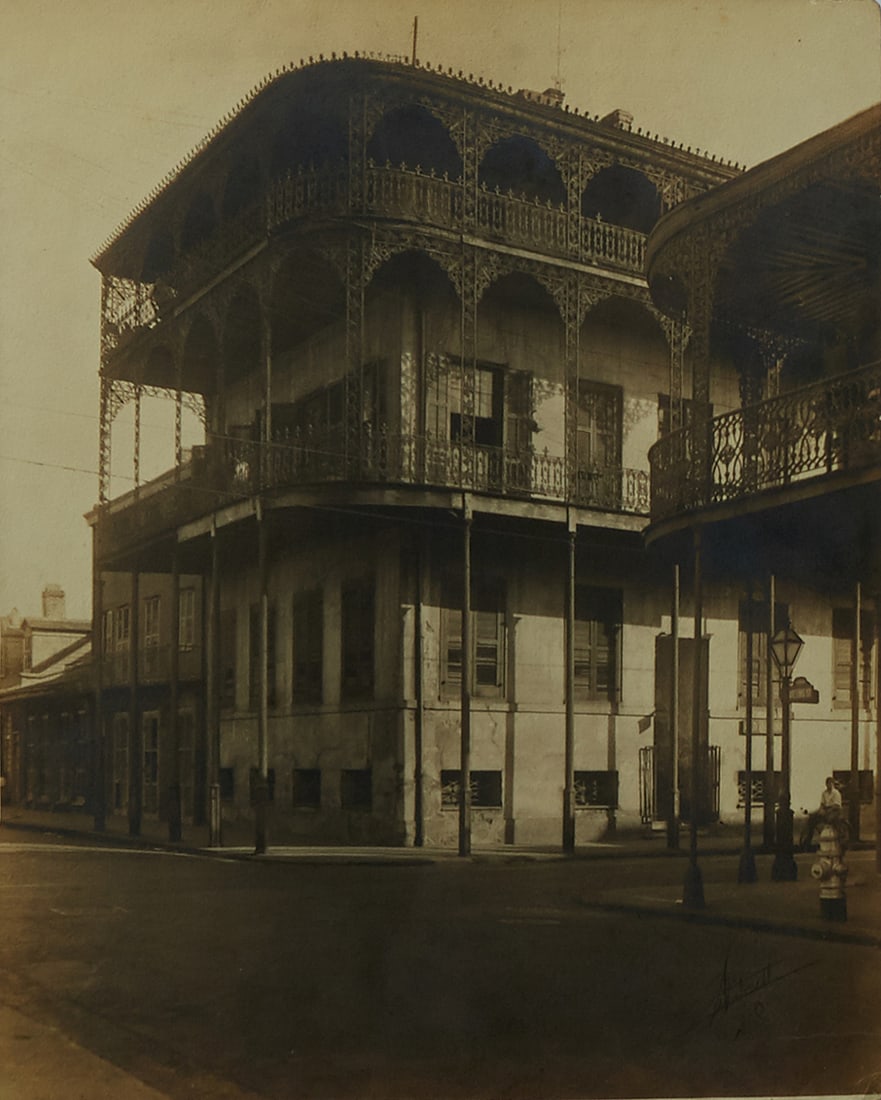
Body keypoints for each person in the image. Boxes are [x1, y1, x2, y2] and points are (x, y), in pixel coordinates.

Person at [802, 776, 844, 850]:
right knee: (812, 819)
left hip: (834, 810)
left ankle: (838, 838)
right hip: (826, 810)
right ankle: (808, 841)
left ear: (832, 784)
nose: (829, 785)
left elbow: (836, 806)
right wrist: (819, 811)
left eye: (830, 783)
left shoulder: (836, 793)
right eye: (827, 783)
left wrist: (827, 811)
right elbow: (822, 804)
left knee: (830, 819)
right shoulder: (824, 793)